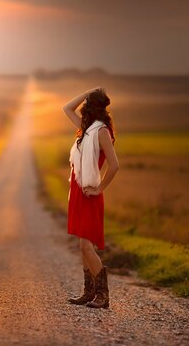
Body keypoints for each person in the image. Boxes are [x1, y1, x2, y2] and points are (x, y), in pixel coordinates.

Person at [62, 87, 119, 308]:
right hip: (79, 189)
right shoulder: (87, 130)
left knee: (87, 246)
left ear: (91, 108)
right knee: (82, 246)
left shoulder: (101, 131)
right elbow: (66, 108)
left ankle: (103, 295)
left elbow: (114, 166)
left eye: (86, 105)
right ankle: (89, 292)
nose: (83, 109)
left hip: (89, 191)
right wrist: (87, 92)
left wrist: (100, 188)